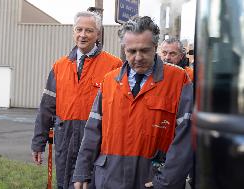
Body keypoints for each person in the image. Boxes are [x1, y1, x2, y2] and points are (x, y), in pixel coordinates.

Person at [73, 16, 193, 189]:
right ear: (124, 49)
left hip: (152, 181)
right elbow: (93, 130)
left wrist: (165, 181)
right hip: (109, 179)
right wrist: (82, 171)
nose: (138, 57)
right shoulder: (109, 81)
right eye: (131, 51)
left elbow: (186, 139)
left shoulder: (179, 80)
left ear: (155, 47)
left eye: (144, 50)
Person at [31, 11, 122, 189]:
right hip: (65, 138)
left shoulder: (114, 66)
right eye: (79, 29)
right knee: (64, 184)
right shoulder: (60, 66)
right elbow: (46, 108)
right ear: (73, 32)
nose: (82, 35)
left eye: (88, 30)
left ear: (98, 34)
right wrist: (38, 142)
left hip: (97, 142)